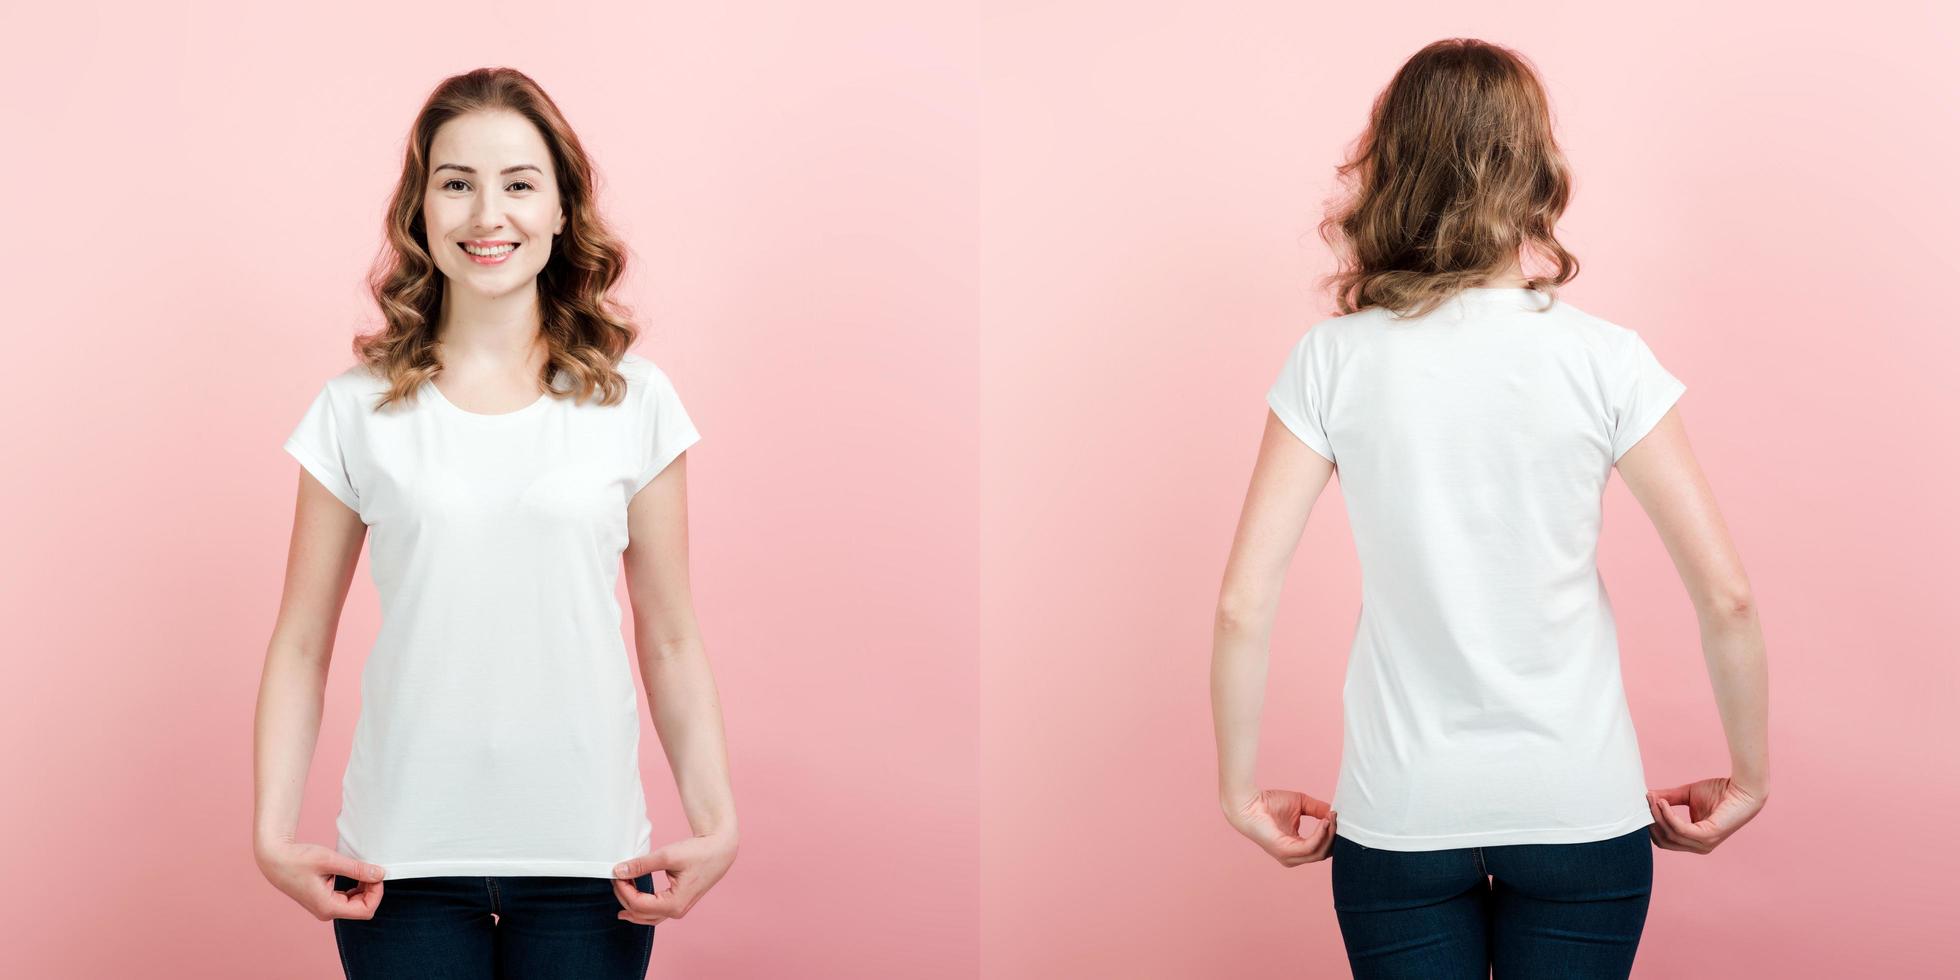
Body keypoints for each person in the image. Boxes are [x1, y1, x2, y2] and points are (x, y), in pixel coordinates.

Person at [1208, 39, 1769, 979]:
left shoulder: (1334, 361)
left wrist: (1237, 792)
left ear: (1391, 169)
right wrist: (1749, 777)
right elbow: (1729, 600)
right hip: (1579, 807)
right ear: (1536, 169)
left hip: (1402, 815)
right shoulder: (1606, 358)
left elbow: (1241, 605)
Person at [252, 67, 738, 979]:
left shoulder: (636, 402)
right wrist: (273, 833)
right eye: (456, 181)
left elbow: (670, 637)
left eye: (518, 183)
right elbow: (300, 643)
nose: (488, 214)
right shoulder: (353, 410)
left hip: (593, 868)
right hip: (398, 869)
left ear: (561, 210)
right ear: (420, 207)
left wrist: (718, 826)